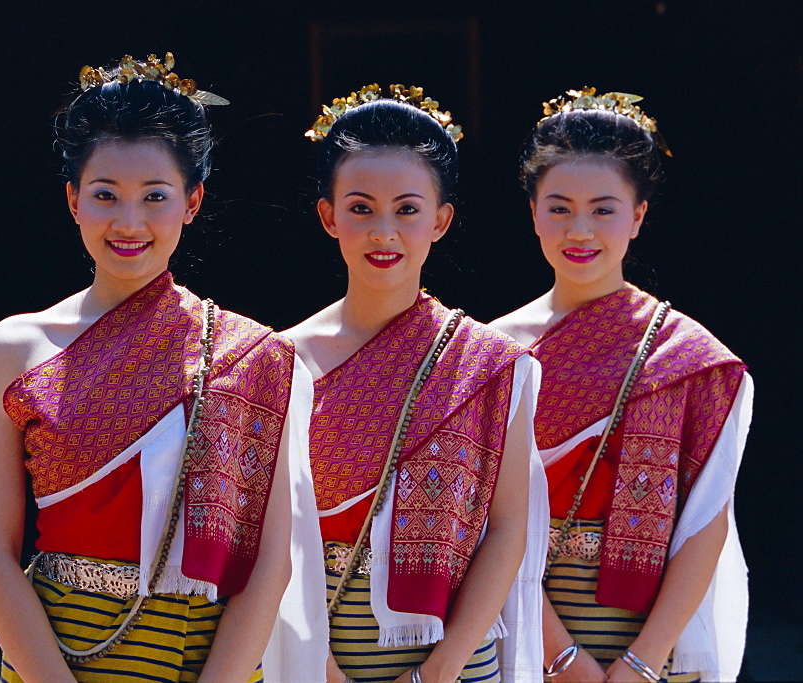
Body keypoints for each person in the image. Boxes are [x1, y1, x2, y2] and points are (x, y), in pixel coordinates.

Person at [0, 52, 323, 682]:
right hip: (55, 654)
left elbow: (272, 561)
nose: (128, 222)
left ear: (192, 201)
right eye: (105, 195)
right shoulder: (14, 350)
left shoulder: (256, 355)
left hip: (208, 656)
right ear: (74, 200)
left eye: (154, 196)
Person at [284, 84, 547, 683]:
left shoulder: (493, 364)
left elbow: (508, 529)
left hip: (455, 661)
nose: (384, 230)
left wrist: (439, 671)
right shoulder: (277, 362)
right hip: (308, 653)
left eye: (407, 209)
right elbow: (266, 541)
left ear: (441, 220)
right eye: (360, 208)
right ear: (328, 216)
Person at [491, 88, 752, 682]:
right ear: (532, 212)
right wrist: (562, 659)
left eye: (603, 209)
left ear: (637, 216)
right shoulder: (490, 356)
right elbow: (483, 522)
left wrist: (641, 663)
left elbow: (705, 522)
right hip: (521, 630)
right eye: (558, 207)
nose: (579, 229)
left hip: (652, 639)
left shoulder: (689, 358)